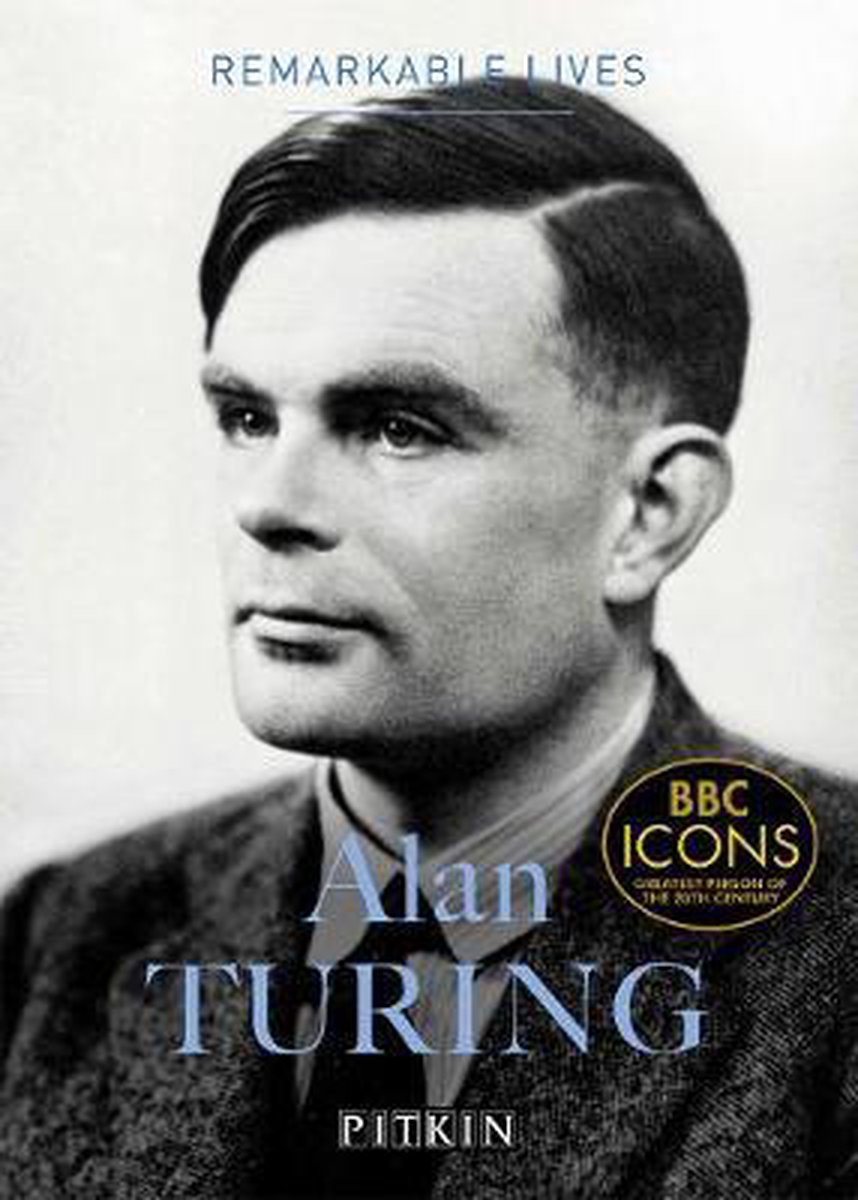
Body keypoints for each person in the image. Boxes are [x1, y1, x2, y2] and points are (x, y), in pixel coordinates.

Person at [1, 78, 856, 1199]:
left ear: (650, 513)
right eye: (247, 418)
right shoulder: (62, 938)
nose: (271, 504)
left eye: (398, 429)